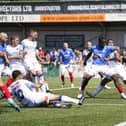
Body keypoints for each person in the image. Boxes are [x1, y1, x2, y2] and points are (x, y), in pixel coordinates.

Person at [8, 70, 85, 108]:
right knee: (56, 96)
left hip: (27, 105)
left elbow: (4, 95)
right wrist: (42, 81)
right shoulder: (22, 81)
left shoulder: (10, 87)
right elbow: (37, 86)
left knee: (45, 100)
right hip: (34, 99)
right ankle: (77, 101)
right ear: (19, 76)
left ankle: (57, 105)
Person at [0, 32, 20, 112]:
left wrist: (6, 59)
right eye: (5, 37)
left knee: (13, 76)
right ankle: (9, 98)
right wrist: (6, 58)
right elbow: (1, 53)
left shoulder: (4, 45)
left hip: (3, 65)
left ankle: (6, 92)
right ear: (0, 37)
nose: (7, 39)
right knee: (0, 83)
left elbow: (4, 54)